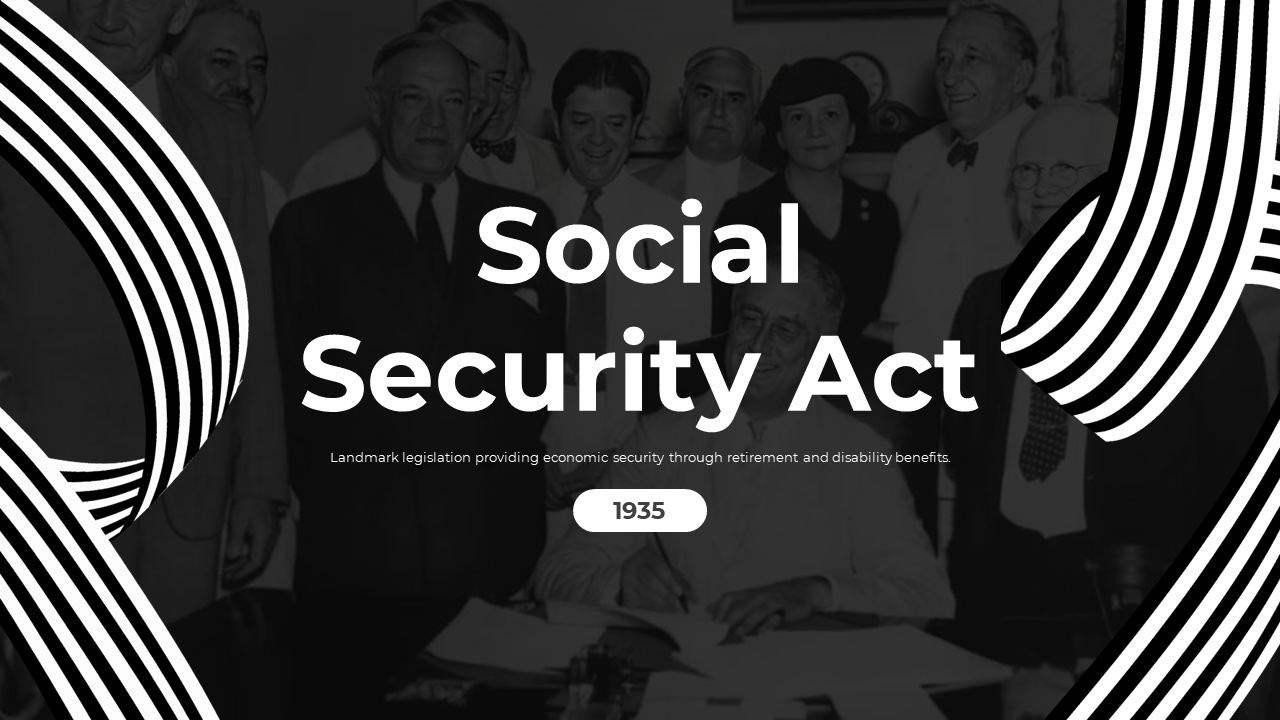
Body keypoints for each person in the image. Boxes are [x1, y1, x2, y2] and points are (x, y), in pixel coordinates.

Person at [943, 100, 1267, 718]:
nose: (1040, 191)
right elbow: (966, 447)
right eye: (1028, 171)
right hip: (1003, 590)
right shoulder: (986, 301)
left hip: (1133, 593)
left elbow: (1240, 471)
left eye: (1065, 171)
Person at [0, 0, 288, 624]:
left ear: (179, 14)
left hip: (190, 495)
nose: (107, 18)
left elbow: (251, 323)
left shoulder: (221, 133)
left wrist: (261, 485)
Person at [271, 33, 562, 602]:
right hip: (358, 550)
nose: (435, 120)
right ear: (378, 106)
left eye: (453, 101)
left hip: (494, 546)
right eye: (414, 99)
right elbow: (287, 392)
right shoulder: (311, 227)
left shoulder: (526, 223)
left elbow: (542, 372)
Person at [532, 252, 954, 632]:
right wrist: (618, 583)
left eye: (785, 329)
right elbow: (558, 570)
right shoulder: (663, 437)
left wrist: (817, 592)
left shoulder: (859, 456)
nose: (758, 344)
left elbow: (927, 595)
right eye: (750, 319)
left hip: (803, 683)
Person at [537, 49, 705, 522]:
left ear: (636, 126)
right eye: (580, 121)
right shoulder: (516, 221)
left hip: (638, 461)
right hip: (536, 460)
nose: (596, 140)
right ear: (555, 121)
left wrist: (625, 463)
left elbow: (687, 378)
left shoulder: (677, 228)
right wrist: (529, 460)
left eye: (613, 123)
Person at [879, 2, 1038, 357]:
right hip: (901, 370)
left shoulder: (1049, 153)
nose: (950, 78)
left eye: (972, 58)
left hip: (995, 368)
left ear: (1019, 76)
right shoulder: (915, 156)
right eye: (944, 59)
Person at [712, 57, 899, 345]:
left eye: (830, 115)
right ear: (780, 136)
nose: (815, 130)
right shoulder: (744, 217)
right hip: (775, 381)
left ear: (850, 131)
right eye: (798, 117)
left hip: (868, 379)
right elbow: (731, 331)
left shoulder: (879, 213)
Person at [288, 0, 511, 199]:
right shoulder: (341, 166)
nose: (483, 93)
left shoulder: (492, 170)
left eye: (495, 79)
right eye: (468, 70)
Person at [160, 0, 288, 227]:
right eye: (222, 62)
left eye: (256, 67)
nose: (244, 82)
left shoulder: (269, 194)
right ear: (168, 71)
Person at [634, 47, 771, 224]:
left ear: (753, 114)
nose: (718, 111)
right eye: (705, 95)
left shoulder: (786, 198)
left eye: (734, 99)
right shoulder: (636, 190)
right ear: (683, 105)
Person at [458, 25, 562, 193]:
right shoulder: (441, 158)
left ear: (525, 82)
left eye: (505, 87)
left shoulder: (558, 160)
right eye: (481, 86)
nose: (491, 101)